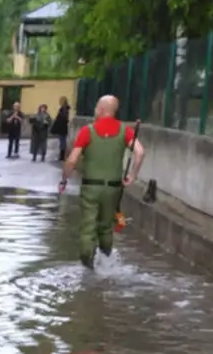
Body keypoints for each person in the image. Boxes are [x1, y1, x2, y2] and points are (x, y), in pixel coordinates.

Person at [59, 95, 145, 269]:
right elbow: (140, 152)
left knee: (88, 226)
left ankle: (87, 265)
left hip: (91, 187)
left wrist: (64, 179)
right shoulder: (124, 131)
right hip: (113, 188)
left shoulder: (88, 131)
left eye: (96, 107)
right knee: (106, 225)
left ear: (100, 109)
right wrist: (133, 175)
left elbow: (71, 160)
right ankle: (106, 262)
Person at [52, 96, 71, 162]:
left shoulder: (63, 109)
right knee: (62, 141)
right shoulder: (66, 109)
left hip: (62, 128)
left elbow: (63, 118)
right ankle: (62, 156)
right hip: (63, 127)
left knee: (62, 142)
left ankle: (62, 156)